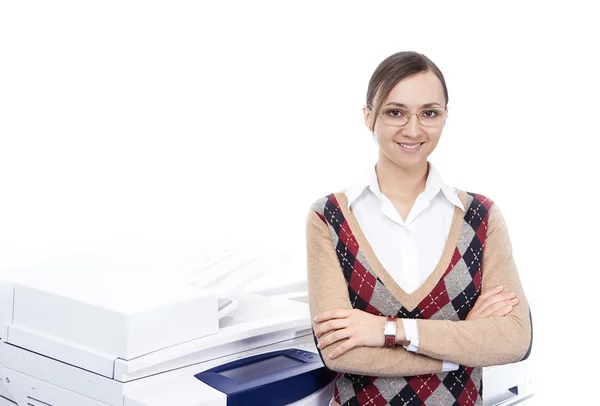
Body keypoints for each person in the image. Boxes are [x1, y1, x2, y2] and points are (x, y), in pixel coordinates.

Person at [305, 51, 532, 406]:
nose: (413, 129)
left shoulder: (480, 216)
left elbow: (514, 339)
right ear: (368, 116)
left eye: (429, 113)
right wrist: (463, 345)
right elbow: (339, 352)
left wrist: (385, 331)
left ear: (445, 117)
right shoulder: (330, 216)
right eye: (395, 112)